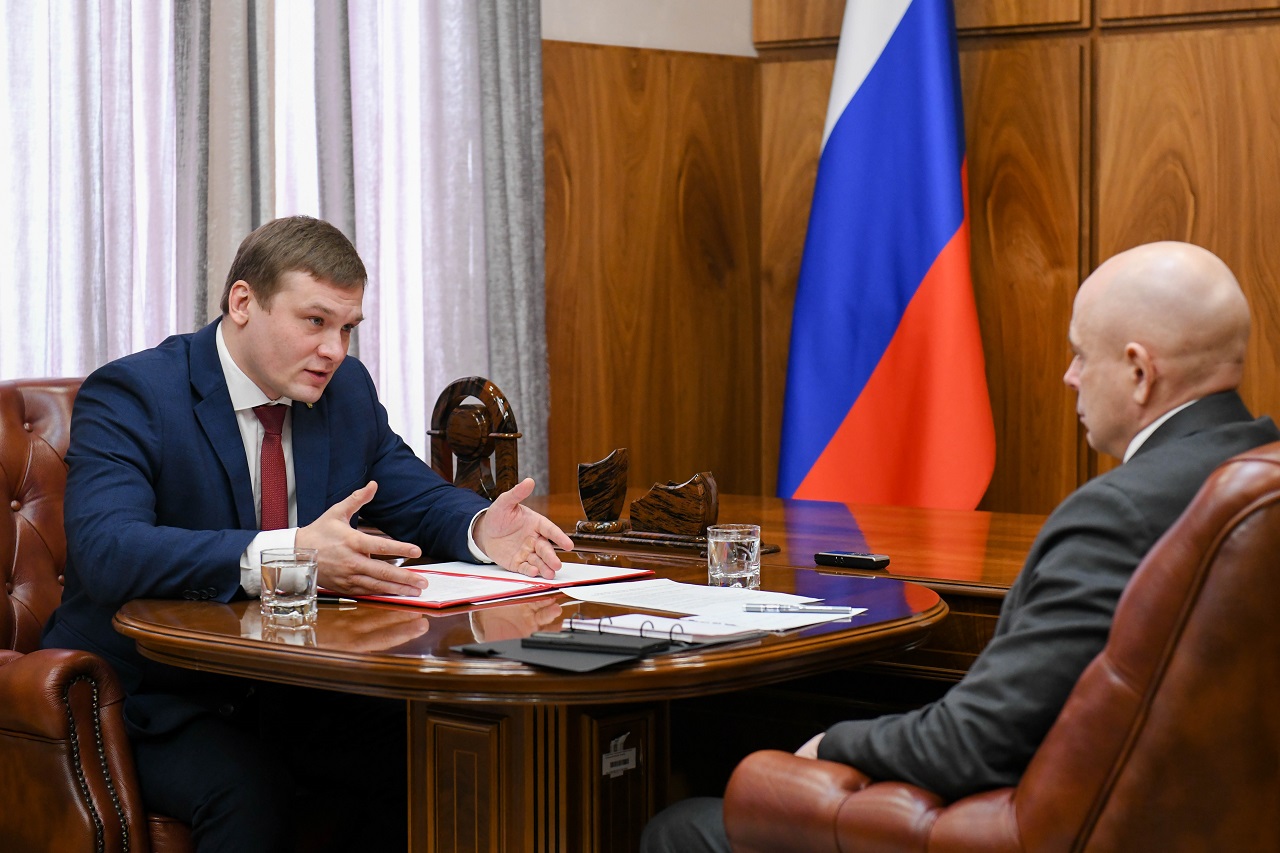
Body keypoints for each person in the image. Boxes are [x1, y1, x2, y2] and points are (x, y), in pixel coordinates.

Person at [640, 241, 1280, 852]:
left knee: (680, 827)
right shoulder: (1259, 473)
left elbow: (975, 744)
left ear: (1140, 372)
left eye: (1082, 355)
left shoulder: (1119, 516)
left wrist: (831, 744)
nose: (1069, 377)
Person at [42, 215, 574, 852]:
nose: (335, 350)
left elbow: (411, 492)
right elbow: (109, 550)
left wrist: (483, 527)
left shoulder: (345, 391)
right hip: (149, 693)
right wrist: (289, 554)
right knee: (248, 792)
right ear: (244, 302)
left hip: (293, 684)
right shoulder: (135, 393)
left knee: (444, 750)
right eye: (315, 321)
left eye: (347, 328)